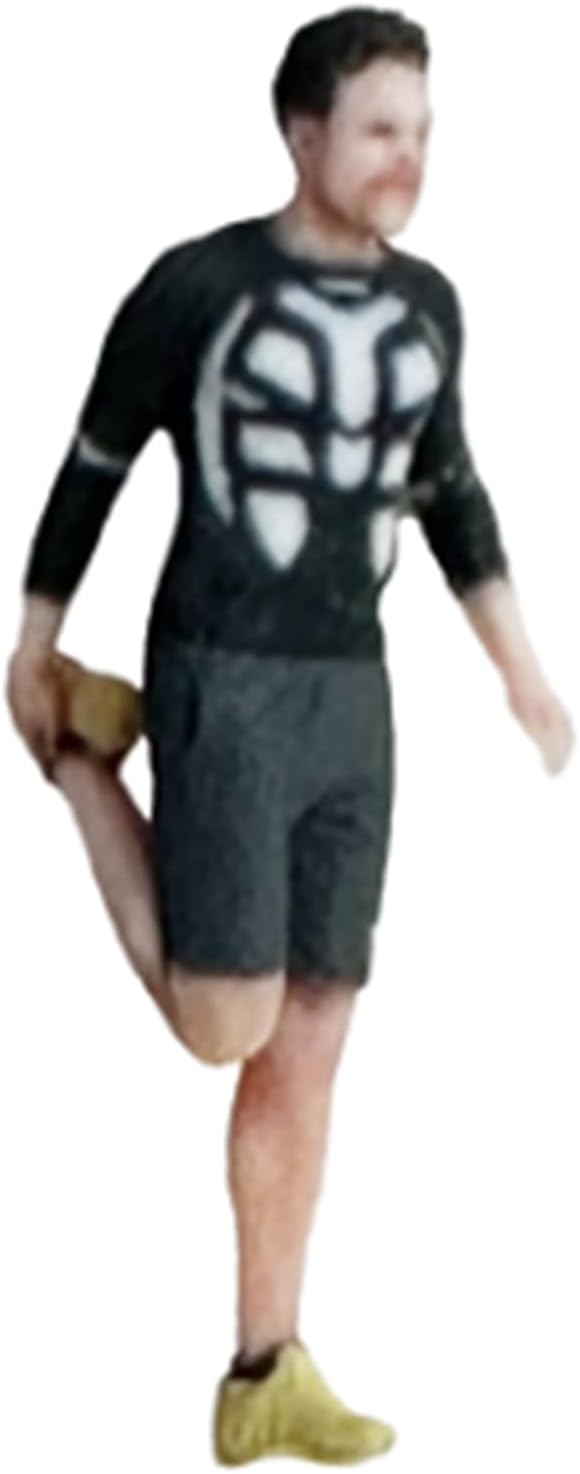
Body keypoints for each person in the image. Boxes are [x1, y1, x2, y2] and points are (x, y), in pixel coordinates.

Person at [5, 6, 575, 1465]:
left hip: (353, 700)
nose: (409, 159)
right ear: (303, 133)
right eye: (382, 129)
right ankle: (85, 758)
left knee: (311, 1041)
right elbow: (94, 457)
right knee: (224, 1026)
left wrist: (521, 670)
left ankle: (266, 1368)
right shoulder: (196, 285)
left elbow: (449, 493)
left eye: (424, 131)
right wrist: (36, 641)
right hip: (227, 672)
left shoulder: (432, 306)